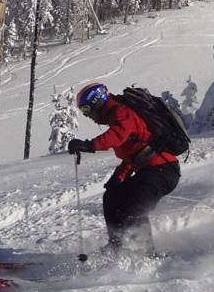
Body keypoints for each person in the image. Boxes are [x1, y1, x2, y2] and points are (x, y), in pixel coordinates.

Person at [68, 82, 180, 257]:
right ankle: (116, 246)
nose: (87, 115)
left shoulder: (122, 112)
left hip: (163, 169)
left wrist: (90, 145)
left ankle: (148, 254)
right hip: (150, 170)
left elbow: (118, 136)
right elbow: (132, 156)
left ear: (97, 102)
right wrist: (117, 178)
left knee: (134, 207)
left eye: (86, 110)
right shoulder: (117, 116)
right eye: (83, 112)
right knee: (112, 196)